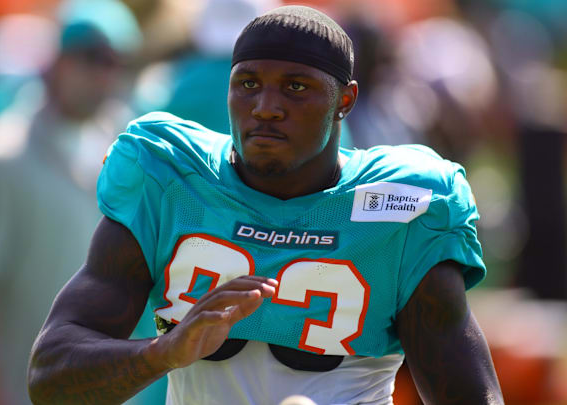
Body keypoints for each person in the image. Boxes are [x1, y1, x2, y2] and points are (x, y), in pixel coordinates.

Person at [28, 6, 503, 405]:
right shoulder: (172, 182)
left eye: (296, 87)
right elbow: (49, 376)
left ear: (345, 100)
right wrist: (164, 352)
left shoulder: (403, 207)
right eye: (249, 84)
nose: (266, 107)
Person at [0, 17, 136, 405]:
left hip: (102, 384)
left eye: (116, 62)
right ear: (57, 63)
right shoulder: (2, 153)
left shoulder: (124, 142)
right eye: (92, 60)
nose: (104, 75)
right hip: (21, 385)